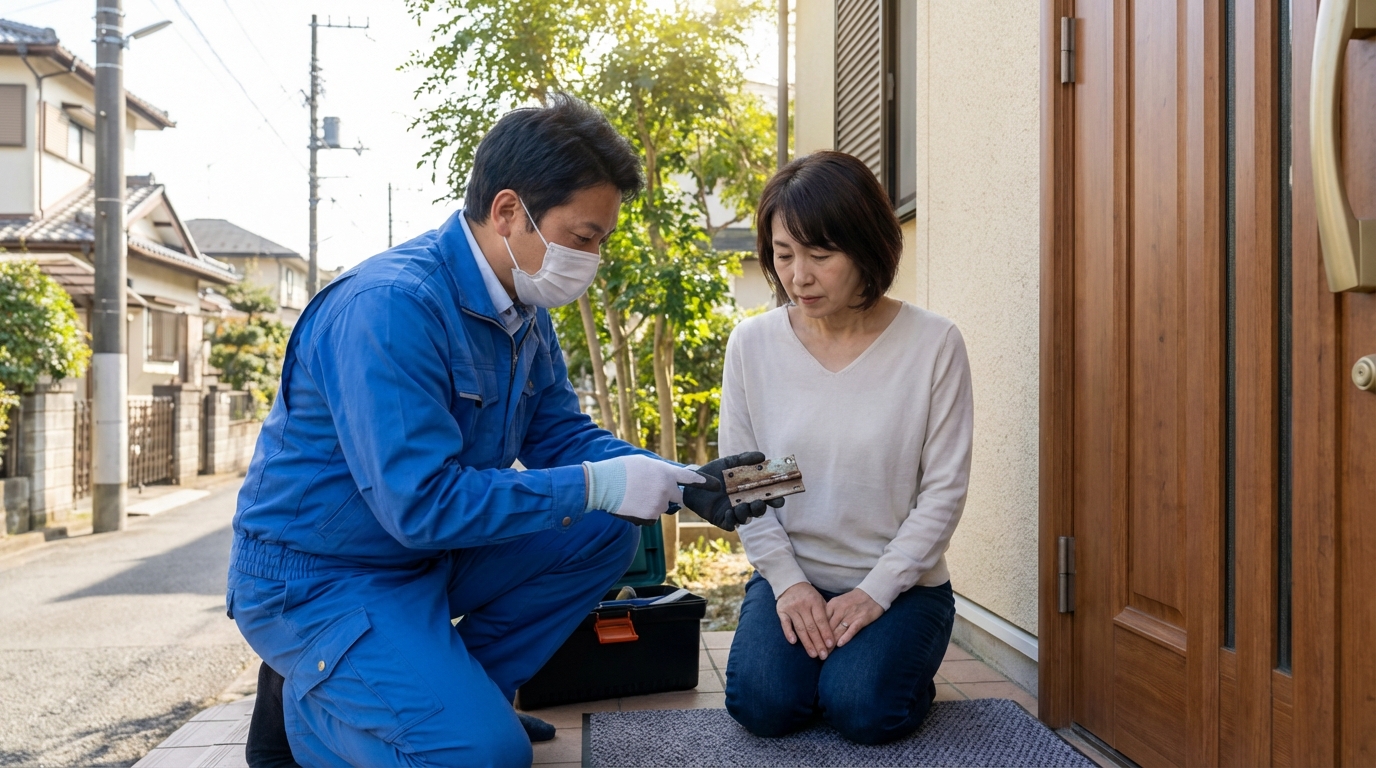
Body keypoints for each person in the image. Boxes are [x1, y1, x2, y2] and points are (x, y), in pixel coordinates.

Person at [226, 94, 777, 767]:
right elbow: (423, 505)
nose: (592, 258)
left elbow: (560, 435)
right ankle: (310, 713)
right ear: (510, 211)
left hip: (419, 558)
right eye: (583, 237)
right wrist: (599, 483)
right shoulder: (390, 309)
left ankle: (466, 696)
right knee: (487, 759)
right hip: (322, 575)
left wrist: (680, 482)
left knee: (606, 529)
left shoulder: (522, 304)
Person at [719, 151, 974, 745]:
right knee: (762, 706)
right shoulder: (753, 346)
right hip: (796, 577)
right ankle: (828, 666)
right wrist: (789, 582)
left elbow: (943, 492)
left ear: (866, 249)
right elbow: (749, 485)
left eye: (820, 255)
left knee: (862, 709)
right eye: (784, 255)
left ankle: (881, 669)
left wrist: (874, 593)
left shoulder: (933, 344)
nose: (798, 277)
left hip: (903, 586)